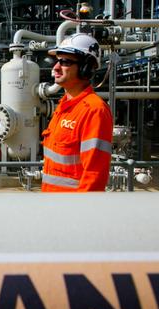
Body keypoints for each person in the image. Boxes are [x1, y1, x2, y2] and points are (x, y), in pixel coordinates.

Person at [41, 33, 113, 192]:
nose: (56, 68)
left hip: (72, 209)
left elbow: (94, 175)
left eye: (65, 62)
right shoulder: (64, 107)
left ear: (85, 68)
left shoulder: (94, 110)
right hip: (52, 204)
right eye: (57, 61)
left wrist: (80, 212)